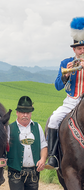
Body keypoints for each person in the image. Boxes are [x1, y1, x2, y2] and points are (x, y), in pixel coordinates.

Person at [45, 17, 84, 170]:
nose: (82, 51)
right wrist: (66, 74)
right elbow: (57, 86)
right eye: (79, 49)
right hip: (71, 101)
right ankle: (53, 156)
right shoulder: (65, 63)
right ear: (74, 50)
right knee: (54, 120)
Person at [7, 96, 48, 190]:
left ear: (31, 113)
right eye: (22, 112)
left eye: (28, 112)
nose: (25, 115)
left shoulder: (37, 127)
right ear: (17, 112)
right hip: (15, 173)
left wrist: (42, 159)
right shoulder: (9, 128)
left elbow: (43, 146)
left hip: (33, 174)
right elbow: (3, 147)